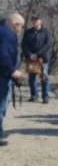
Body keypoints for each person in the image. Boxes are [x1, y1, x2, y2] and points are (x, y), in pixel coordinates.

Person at [0, 13, 25, 147]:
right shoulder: (5, 33)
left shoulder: (5, 32)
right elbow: (3, 54)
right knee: (0, 106)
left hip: (4, 75)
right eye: (21, 26)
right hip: (2, 75)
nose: (20, 29)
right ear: (16, 25)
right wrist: (12, 70)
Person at [21, 15, 52, 104]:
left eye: (36, 20)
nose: (34, 22)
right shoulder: (28, 32)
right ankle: (34, 95)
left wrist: (38, 54)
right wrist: (30, 54)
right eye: (33, 20)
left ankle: (45, 96)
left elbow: (48, 44)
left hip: (42, 58)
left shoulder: (46, 32)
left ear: (40, 21)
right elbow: (24, 45)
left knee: (44, 77)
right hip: (30, 58)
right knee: (31, 77)